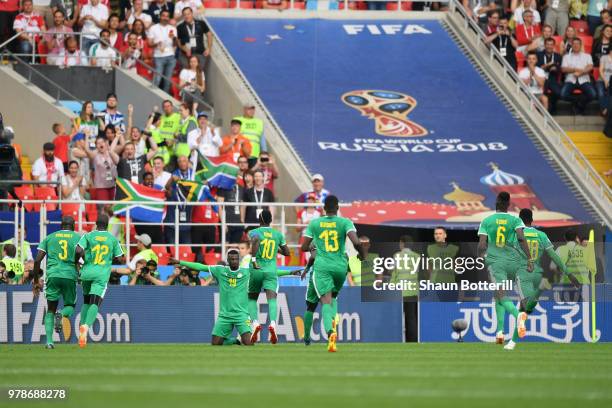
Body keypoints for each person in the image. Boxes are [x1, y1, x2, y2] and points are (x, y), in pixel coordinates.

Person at [300, 195, 363, 352]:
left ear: (323, 208)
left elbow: (303, 247)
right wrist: (362, 254)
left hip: (321, 268)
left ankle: (328, 333)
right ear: (338, 207)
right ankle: (333, 327)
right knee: (333, 298)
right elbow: (356, 242)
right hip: (341, 267)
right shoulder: (345, 222)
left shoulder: (315, 223)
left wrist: (315, 247)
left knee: (317, 304)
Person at [477, 191, 532, 350]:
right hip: (513, 261)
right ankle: (500, 333)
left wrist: (482, 256)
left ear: (496, 202)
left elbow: (481, 244)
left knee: (500, 294)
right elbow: (521, 238)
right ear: (509, 204)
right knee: (498, 295)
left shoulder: (487, 220)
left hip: (496, 263)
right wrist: (529, 258)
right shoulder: (516, 219)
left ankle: (518, 317)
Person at [170, 249, 255, 346]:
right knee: (215, 343)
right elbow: (201, 267)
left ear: (239, 260)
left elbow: (267, 272)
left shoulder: (246, 272)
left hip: (241, 314)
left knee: (248, 343)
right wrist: (180, 262)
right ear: (228, 260)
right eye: (232, 259)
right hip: (225, 315)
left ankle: (241, 340)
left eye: (236, 259)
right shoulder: (220, 270)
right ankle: (235, 341)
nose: (234, 261)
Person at [512, 209, 580, 330]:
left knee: (526, 304)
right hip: (538, 274)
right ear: (532, 220)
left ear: (519, 220)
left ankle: (540, 289)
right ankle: (518, 327)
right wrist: (569, 274)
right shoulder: (541, 235)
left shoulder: (515, 234)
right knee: (525, 306)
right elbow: (554, 256)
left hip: (524, 273)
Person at [75, 214, 124, 348]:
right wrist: (109, 258)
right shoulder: (112, 239)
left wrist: (78, 262)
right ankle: (85, 327)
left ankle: (81, 329)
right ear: (107, 225)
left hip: (86, 273)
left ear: (96, 223)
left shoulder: (88, 236)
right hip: (101, 275)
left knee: (86, 300)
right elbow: (120, 259)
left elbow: (78, 249)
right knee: (95, 302)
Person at [31, 216, 80, 349]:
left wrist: (36, 281)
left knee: (50, 309)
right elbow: (81, 254)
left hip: (52, 275)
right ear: (73, 225)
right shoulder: (78, 237)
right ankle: (62, 314)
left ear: (61, 226)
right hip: (69, 275)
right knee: (70, 305)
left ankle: (49, 342)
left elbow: (37, 260)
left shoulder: (50, 237)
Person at [247, 210, 290, 344]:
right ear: (271, 220)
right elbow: (287, 253)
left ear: (260, 219)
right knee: (272, 299)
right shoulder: (278, 235)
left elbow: (255, 241)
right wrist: (276, 248)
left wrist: (254, 259)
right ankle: (273, 324)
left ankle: (254, 323)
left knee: (252, 298)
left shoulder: (254, 232)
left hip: (256, 269)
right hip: (271, 270)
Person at [561, 37, 597, 114]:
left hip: (584, 80)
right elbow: (563, 69)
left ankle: (580, 105)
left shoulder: (587, 56)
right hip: (570, 80)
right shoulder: (566, 56)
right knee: (563, 94)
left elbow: (590, 67)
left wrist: (581, 73)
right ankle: (577, 101)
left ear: (581, 45)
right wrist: (575, 69)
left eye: (578, 44)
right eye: (574, 44)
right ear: (571, 45)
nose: (576, 45)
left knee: (593, 94)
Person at [148, 9, 177, 93]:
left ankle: (165, 101)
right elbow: (149, 43)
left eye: (167, 16)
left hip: (171, 56)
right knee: (157, 79)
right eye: (163, 15)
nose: (165, 18)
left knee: (167, 81)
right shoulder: (153, 28)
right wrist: (156, 44)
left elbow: (175, 44)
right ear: (160, 16)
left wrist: (174, 39)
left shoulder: (173, 28)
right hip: (158, 56)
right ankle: (153, 96)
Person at [84, 135, 120, 202]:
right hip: (101, 187)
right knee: (104, 208)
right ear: (96, 146)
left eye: (102, 142)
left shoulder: (111, 153)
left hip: (113, 185)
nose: (100, 144)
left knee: (114, 208)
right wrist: (87, 135)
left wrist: (117, 136)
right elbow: (86, 149)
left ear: (106, 143)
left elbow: (116, 146)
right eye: (98, 143)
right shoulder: (95, 155)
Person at [537, 37, 563, 113]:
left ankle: (552, 106)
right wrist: (547, 65)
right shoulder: (539, 55)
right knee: (541, 92)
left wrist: (556, 69)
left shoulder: (558, 56)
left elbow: (560, 68)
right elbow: (537, 68)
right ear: (544, 45)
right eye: (547, 44)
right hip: (541, 78)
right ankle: (542, 109)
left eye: (551, 44)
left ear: (554, 46)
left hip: (552, 78)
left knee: (558, 93)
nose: (549, 46)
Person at [597, 46, 612, 115]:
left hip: (611, 81)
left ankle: (605, 110)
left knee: (609, 94)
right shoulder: (604, 57)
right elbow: (601, 70)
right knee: (601, 93)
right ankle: (605, 110)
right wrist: (605, 81)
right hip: (602, 79)